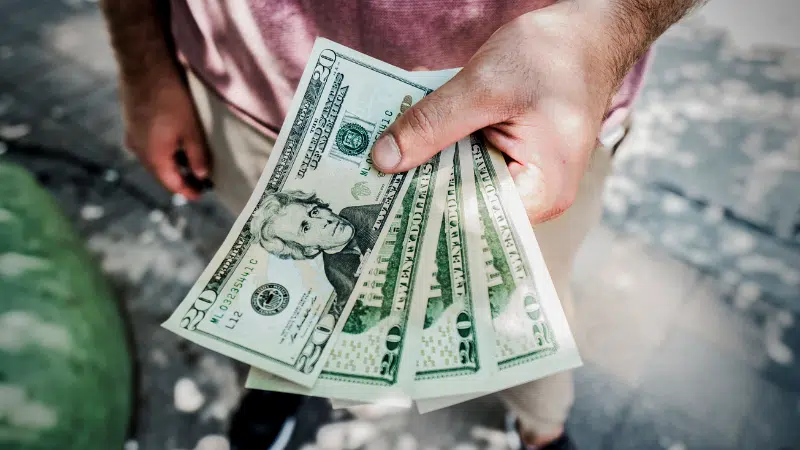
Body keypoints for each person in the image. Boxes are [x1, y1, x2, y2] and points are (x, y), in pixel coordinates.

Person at [99, 0, 706, 449]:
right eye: (303, 229)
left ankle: (542, 427)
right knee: (292, 315)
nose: (313, 217)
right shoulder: (319, 260)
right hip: (251, 99)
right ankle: (277, 388)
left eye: (305, 214)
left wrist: (608, 27)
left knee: (530, 312)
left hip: (527, 120)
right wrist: (145, 66)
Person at [250, 189, 382, 308]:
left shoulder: (356, 214)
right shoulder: (334, 270)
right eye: (306, 228)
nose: (324, 222)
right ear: (308, 250)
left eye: (314, 212)